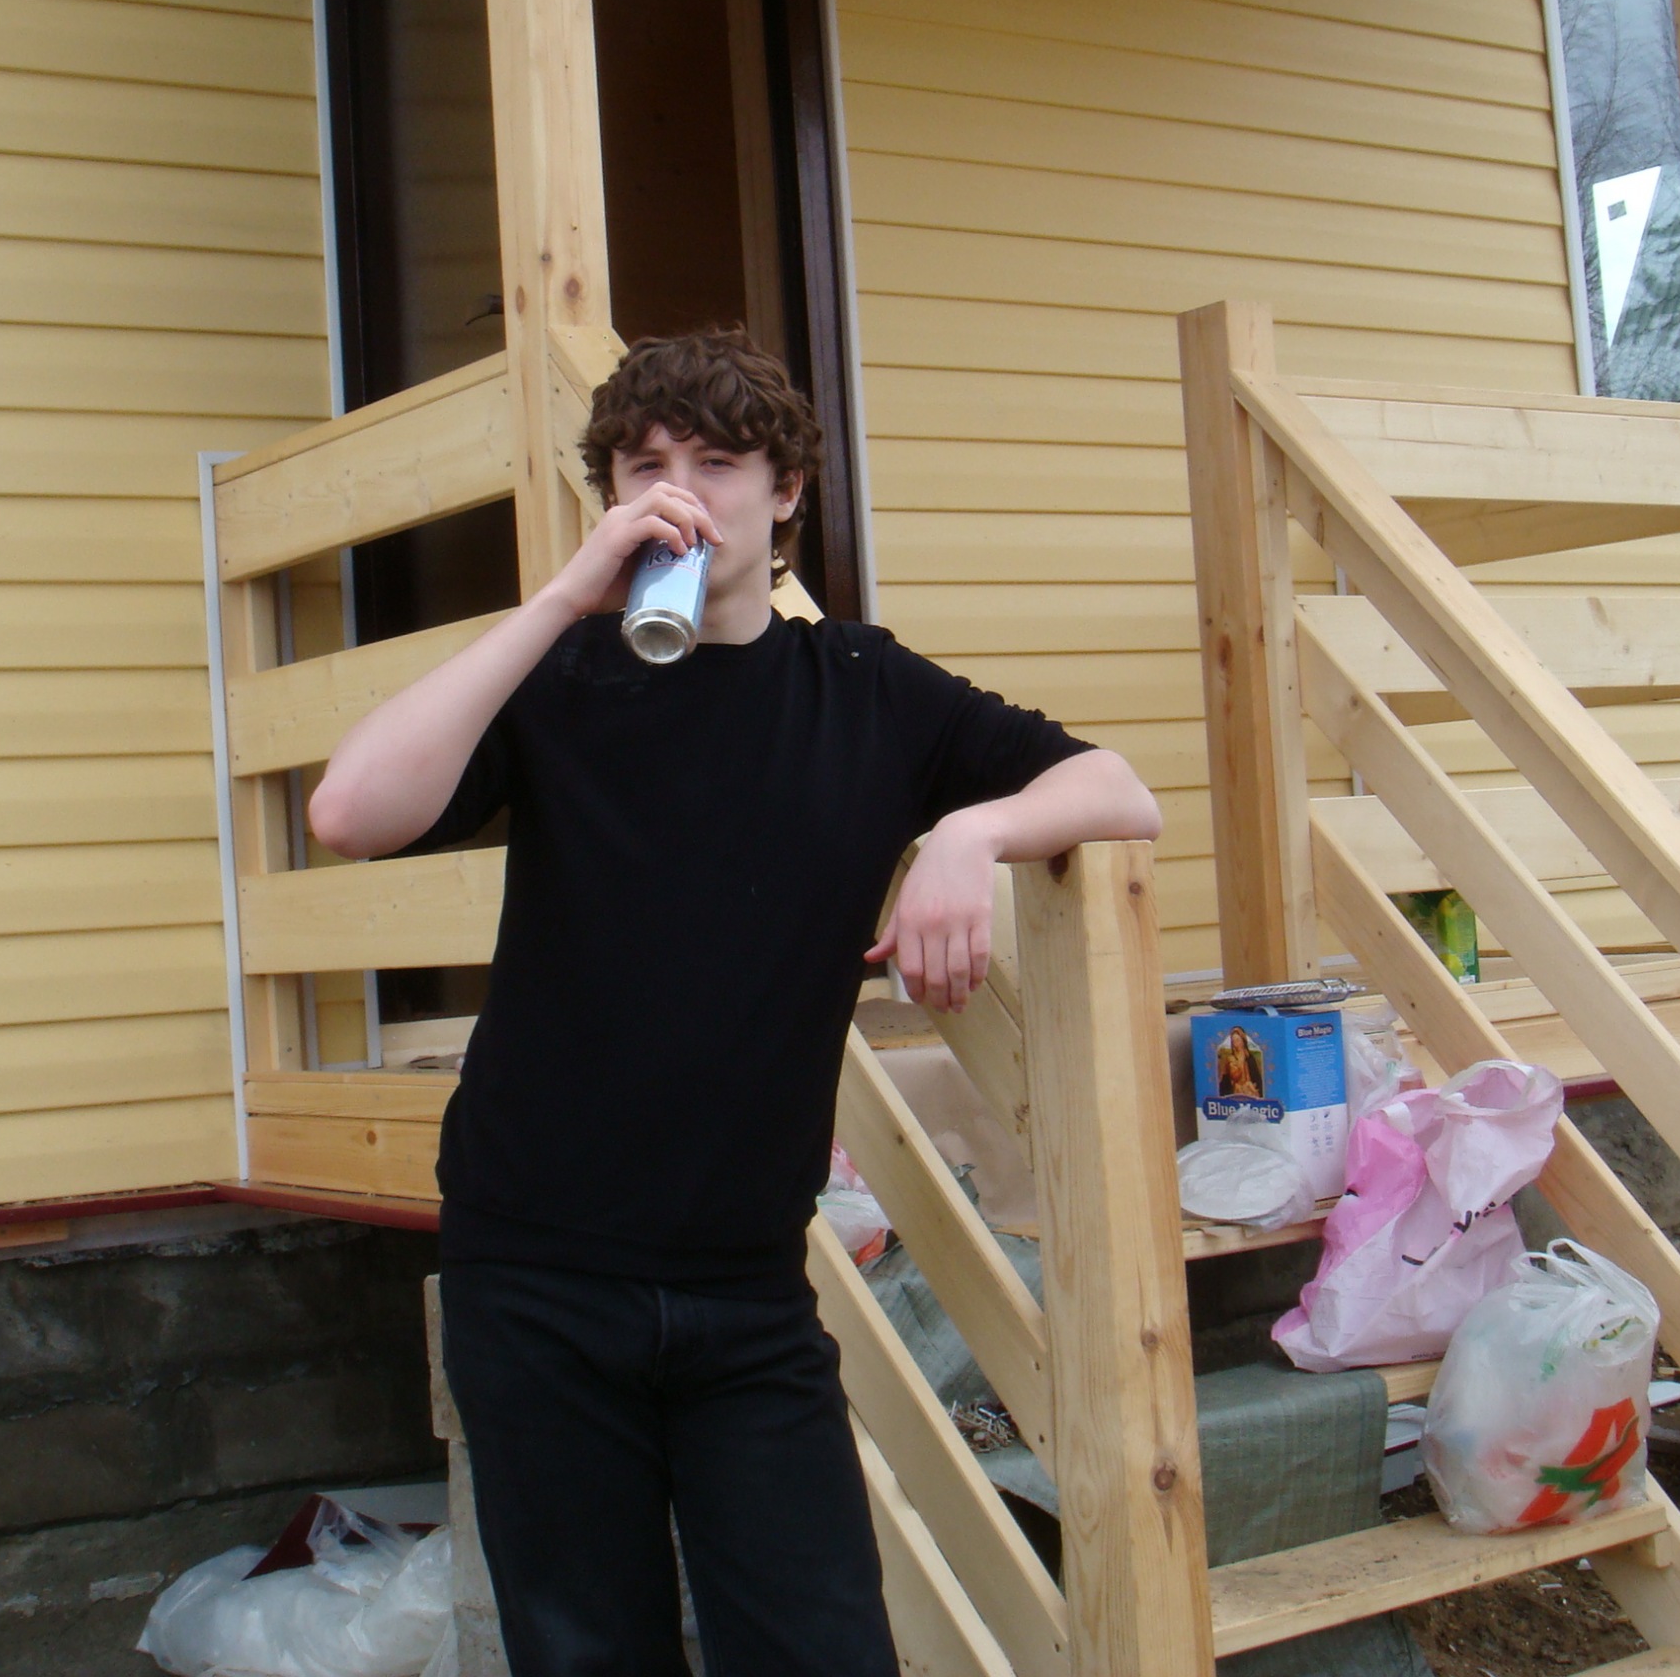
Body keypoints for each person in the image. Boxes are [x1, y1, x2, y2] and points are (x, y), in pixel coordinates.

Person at [310, 329, 1161, 1677]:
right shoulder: (563, 681)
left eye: (717, 462)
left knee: (823, 1649)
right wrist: (563, 599)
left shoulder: (865, 693)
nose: (681, 493)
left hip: (748, 1294)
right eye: (645, 467)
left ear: (786, 492)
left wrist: (971, 833)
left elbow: (1119, 788)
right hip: (532, 1275)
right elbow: (350, 812)